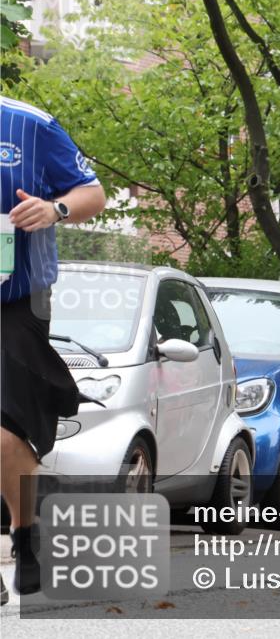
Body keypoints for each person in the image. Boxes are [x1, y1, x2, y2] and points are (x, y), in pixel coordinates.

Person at [1, 96, 107, 601]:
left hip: (15, 299)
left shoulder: (29, 125)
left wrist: (54, 208)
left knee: (4, 433)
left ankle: (25, 535)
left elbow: (93, 193)